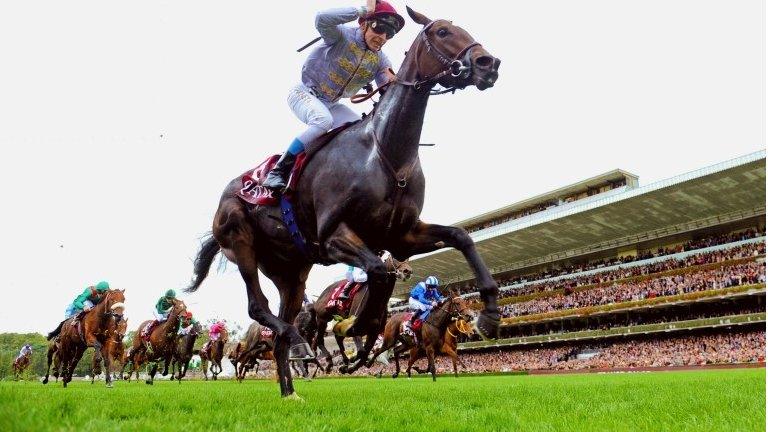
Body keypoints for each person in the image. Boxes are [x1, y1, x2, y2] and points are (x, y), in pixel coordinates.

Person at [261, 0, 405, 194]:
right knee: (323, 121)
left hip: (331, 103)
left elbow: (389, 88)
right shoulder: (340, 35)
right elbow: (321, 18)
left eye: (390, 33)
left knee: (362, 132)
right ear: (363, 24)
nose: (383, 37)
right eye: (379, 28)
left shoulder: (381, 60)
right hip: (304, 93)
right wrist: (364, 10)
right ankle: (278, 171)